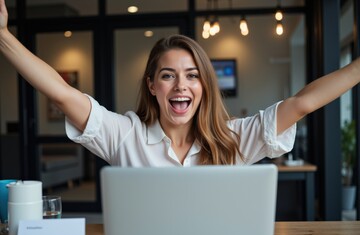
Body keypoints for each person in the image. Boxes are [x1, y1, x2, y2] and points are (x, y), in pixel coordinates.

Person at [0, 0, 359, 167]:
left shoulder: (232, 140)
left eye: (192, 75)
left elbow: (303, 103)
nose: (180, 86)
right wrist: (3, 36)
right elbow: (63, 94)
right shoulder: (124, 135)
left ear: (204, 86)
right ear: (152, 85)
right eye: (168, 76)